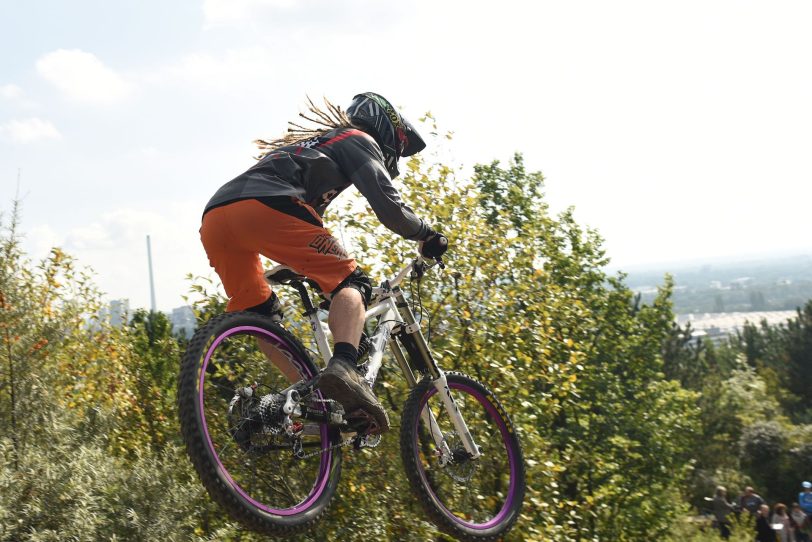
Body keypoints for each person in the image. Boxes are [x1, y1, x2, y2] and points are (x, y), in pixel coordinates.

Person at [199, 93, 448, 434]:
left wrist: (304, 268)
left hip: (217, 218)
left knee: (262, 316)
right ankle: (344, 368)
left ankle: (311, 401)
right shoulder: (356, 139)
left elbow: (303, 227)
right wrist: (425, 234)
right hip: (266, 205)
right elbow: (389, 207)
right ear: (388, 132)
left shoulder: (313, 147)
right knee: (353, 283)